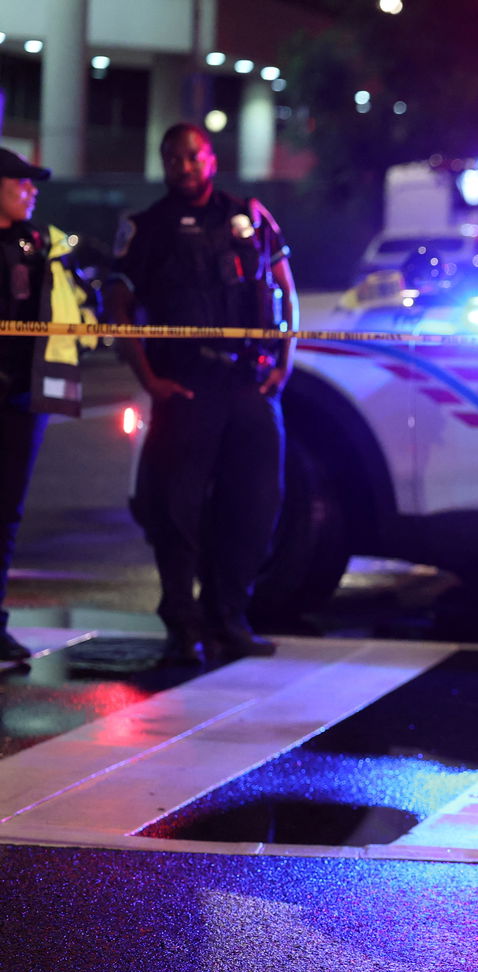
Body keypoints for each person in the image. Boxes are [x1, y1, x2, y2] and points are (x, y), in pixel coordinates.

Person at [105, 123, 297, 667]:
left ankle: (228, 619)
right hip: (186, 387)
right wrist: (148, 378)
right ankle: (182, 627)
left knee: (255, 507)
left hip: (251, 384)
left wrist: (284, 361)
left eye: (192, 156)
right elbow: (117, 305)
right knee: (176, 513)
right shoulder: (148, 228)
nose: (183, 166)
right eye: (173, 158)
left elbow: (286, 287)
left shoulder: (250, 216)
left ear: (211, 158)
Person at [0, 148, 97, 663]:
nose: (31, 191)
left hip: (21, 397)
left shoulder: (41, 245)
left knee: (6, 515)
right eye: (21, 183)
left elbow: (79, 305)